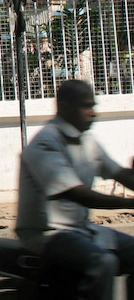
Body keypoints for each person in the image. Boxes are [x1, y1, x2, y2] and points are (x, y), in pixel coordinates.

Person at [16, 79, 134, 300]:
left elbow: (119, 173)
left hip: (82, 230)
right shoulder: (46, 142)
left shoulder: (87, 142)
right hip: (48, 234)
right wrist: (128, 203)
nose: (93, 113)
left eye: (93, 106)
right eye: (86, 106)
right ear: (65, 106)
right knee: (103, 262)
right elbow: (76, 193)